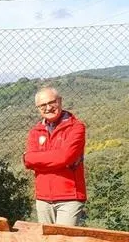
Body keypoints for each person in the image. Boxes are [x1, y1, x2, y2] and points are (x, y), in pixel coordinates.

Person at [23, 87, 86, 226]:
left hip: (69, 198)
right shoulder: (35, 131)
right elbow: (28, 160)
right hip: (43, 198)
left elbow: (65, 157)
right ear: (38, 108)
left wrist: (39, 161)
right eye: (42, 105)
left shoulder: (76, 127)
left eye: (52, 102)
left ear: (60, 101)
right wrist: (57, 160)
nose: (48, 108)